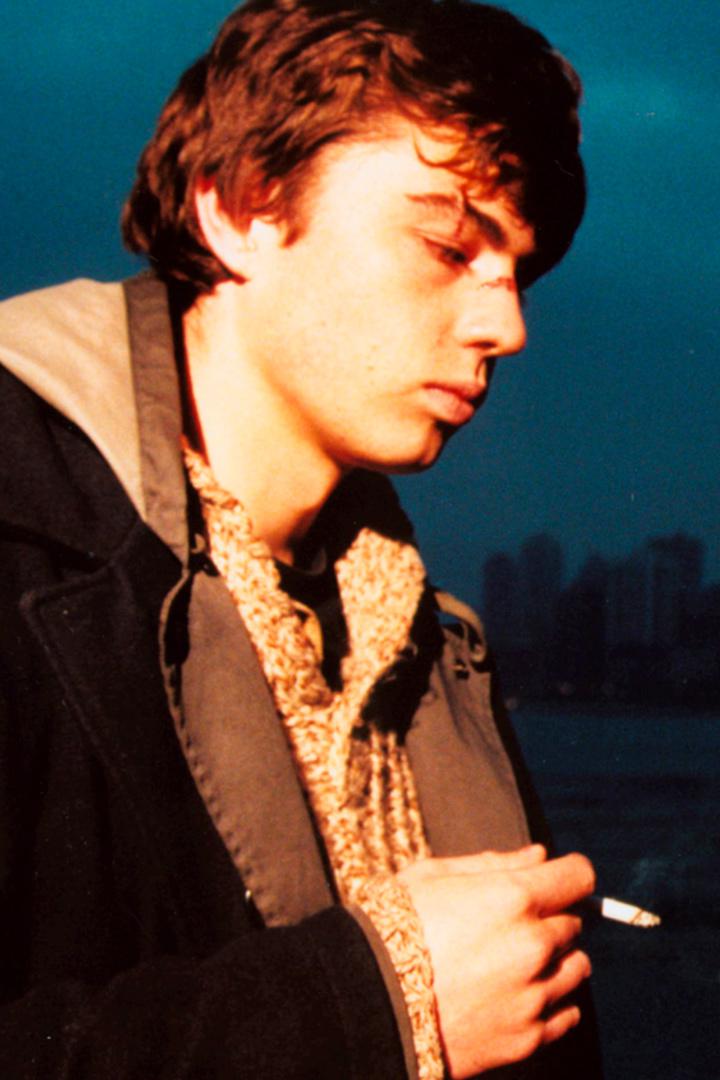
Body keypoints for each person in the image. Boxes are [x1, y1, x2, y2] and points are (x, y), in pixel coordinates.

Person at [0, 1, 603, 1076]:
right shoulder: (25, 545)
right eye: (448, 246)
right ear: (241, 208)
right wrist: (371, 1008)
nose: (507, 327)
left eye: (517, 271)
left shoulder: (430, 646)